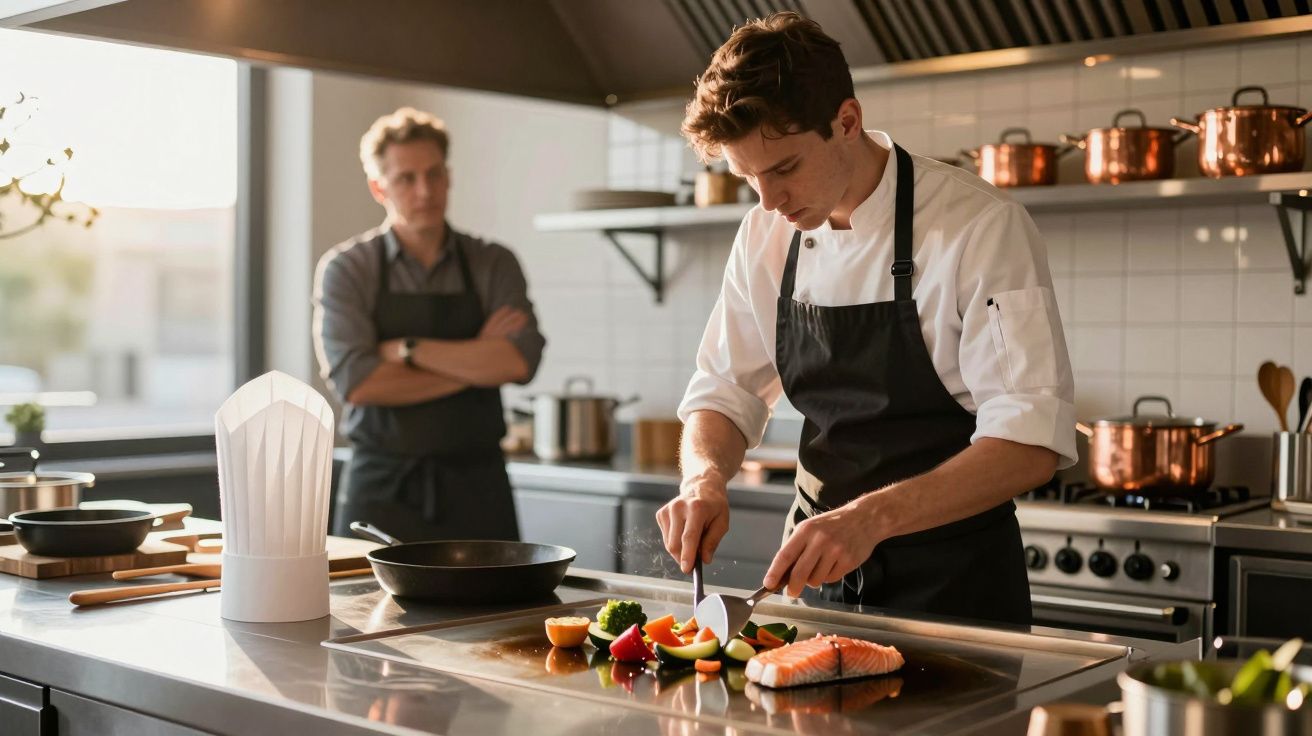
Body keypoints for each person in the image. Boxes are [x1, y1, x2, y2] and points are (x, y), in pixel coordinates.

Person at [657, 13, 1075, 625]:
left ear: (846, 122)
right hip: (813, 580)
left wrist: (867, 520)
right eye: (748, 179)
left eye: (784, 169)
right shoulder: (765, 235)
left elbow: (1029, 442)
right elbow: (725, 390)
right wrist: (704, 478)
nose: (769, 201)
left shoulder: (979, 226)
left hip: (953, 585)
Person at [313, 107, 545, 542]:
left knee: (499, 611)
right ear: (378, 188)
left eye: (434, 174)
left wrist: (408, 351)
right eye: (406, 178)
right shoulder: (346, 268)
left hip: (479, 488)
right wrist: (475, 359)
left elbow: (518, 361)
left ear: (448, 176)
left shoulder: (493, 262)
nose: (425, 190)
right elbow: (358, 383)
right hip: (380, 490)